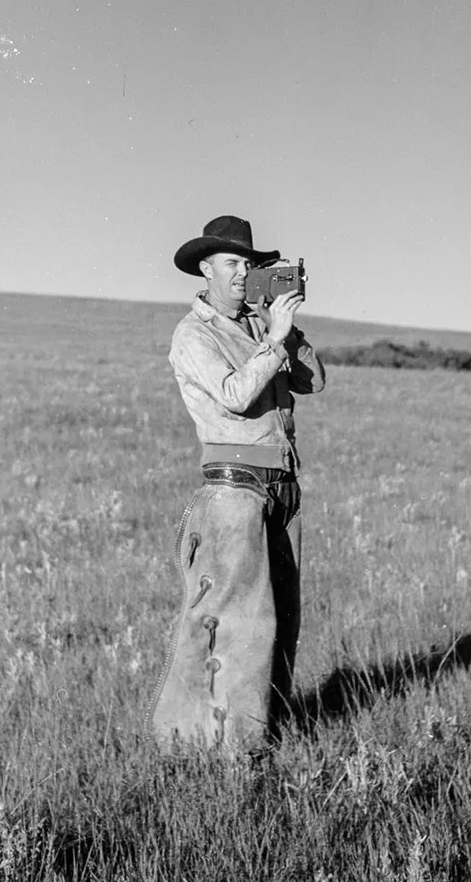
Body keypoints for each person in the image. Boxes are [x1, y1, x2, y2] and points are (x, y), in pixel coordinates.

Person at [146, 215, 325, 748]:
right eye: (232, 263)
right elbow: (234, 395)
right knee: (239, 626)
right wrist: (272, 341)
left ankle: (264, 734)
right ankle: (225, 753)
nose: (243, 273)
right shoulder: (192, 334)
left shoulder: (258, 325)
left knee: (281, 620)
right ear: (205, 269)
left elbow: (314, 381)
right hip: (233, 490)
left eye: (250, 264)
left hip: (280, 484)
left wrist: (285, 330)